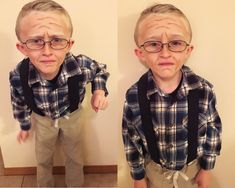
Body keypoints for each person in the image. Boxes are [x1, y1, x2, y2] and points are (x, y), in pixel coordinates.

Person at [9, 0, 109, 187]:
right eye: (36, 41)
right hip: (42, 120)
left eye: (56, 40)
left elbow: (100, 71)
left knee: (75, 157)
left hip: (73, 117)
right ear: (22, 47)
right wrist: (24, 125)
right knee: (43, 159)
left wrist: (99, 90)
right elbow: (19, 100)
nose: (47, 51)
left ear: (69, 44)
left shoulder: (81, 66)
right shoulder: (18, 75)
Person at [122, 3, 221, 188]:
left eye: (175, 43)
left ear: (188, 50)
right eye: (153, 44)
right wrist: (138, 177)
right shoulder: (134, 95)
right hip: (154, 172)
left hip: (192, 171)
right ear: (140, 53)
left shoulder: (204, 91)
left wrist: (207, 169)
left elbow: (213, 131)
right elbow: (130, 139)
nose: (165, 53)